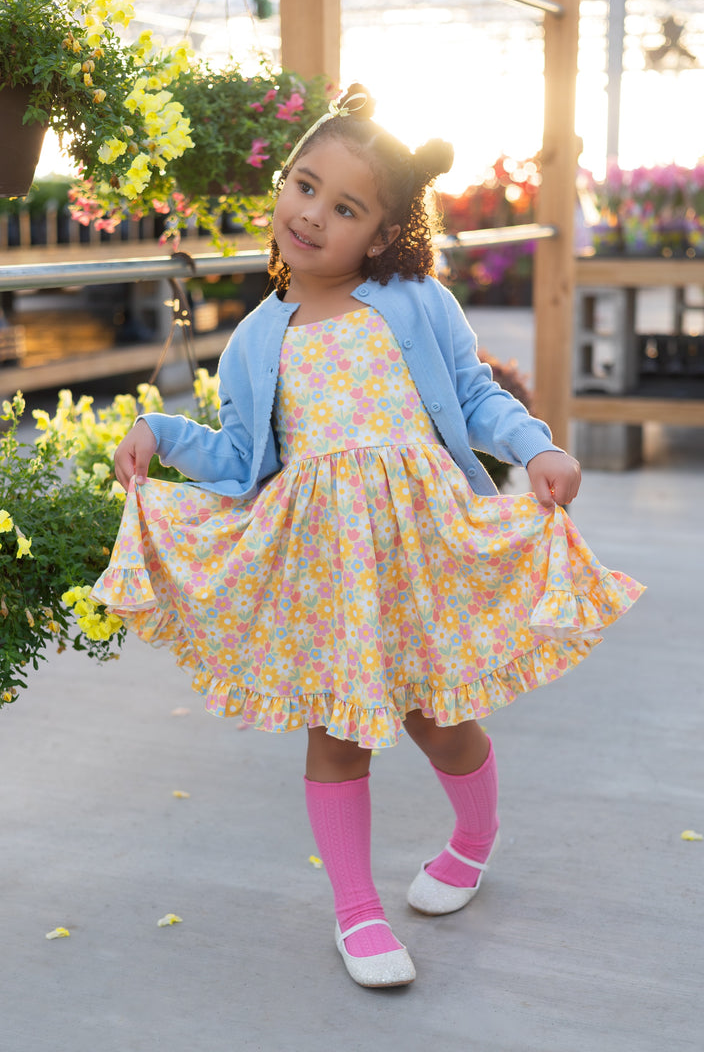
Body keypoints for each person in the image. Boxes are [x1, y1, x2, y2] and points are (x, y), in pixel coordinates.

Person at [92, 84, 644, 989]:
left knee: (437, 719)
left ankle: (473, 839)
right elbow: (238, 457)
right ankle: (356, 913)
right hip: (325, 567)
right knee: (338, 731)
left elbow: (471, 398)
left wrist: (536, 445)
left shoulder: (416, 301)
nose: (311, 214)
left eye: (343, 207)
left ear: (382, 234)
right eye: (304, 187)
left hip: (416, 548)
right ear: (283, 183)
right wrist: (161, 435)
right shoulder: (254, 340)